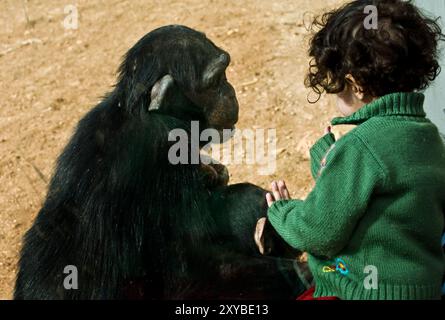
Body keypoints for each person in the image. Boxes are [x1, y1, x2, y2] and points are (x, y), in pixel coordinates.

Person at [255, 0, 445, 300]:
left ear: (355, 86)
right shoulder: (430, 137)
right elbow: (378, 186)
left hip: (356, 288)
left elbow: (318, 233)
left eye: (337, 87)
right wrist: (331, 155)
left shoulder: (360, 146)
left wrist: (283, 211)